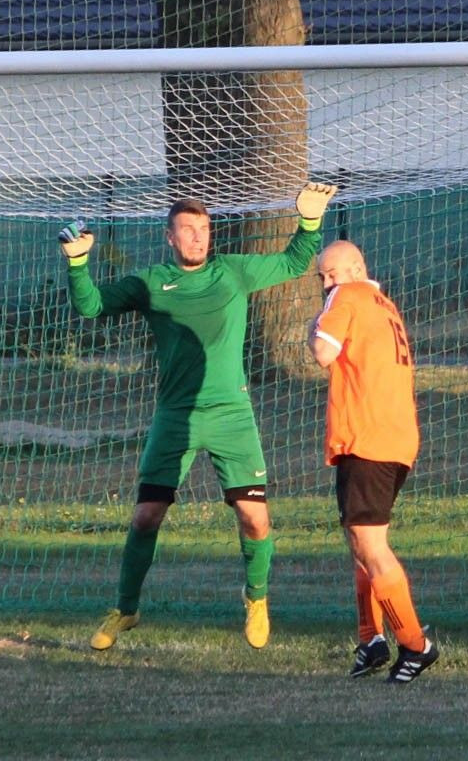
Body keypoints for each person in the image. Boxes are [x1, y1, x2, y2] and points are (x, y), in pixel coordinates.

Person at [61, 182, 338, 650]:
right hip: (175, 416)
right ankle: (125, 610)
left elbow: (293, 261)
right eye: (188, 230)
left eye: (204, 229)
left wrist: (309, 221)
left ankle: (257, 599)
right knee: (147, 516)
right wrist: (78, 263)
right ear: (170, 237)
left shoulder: (232, 272)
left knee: (255, 520)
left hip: (232, 414)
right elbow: (90, 306)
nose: (198, 237)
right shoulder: (150, 282)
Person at [307, 240, 438, 684]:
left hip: (370, 438)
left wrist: (317, 322)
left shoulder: (349, 297)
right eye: (322, 277)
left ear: (356, 268)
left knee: (372, 546)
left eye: (332, 273)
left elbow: (323, 352)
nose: (326, 283)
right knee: (360, 543)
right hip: (393, 436)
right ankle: (371, 639)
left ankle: (416, 646)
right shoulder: (384, 304)